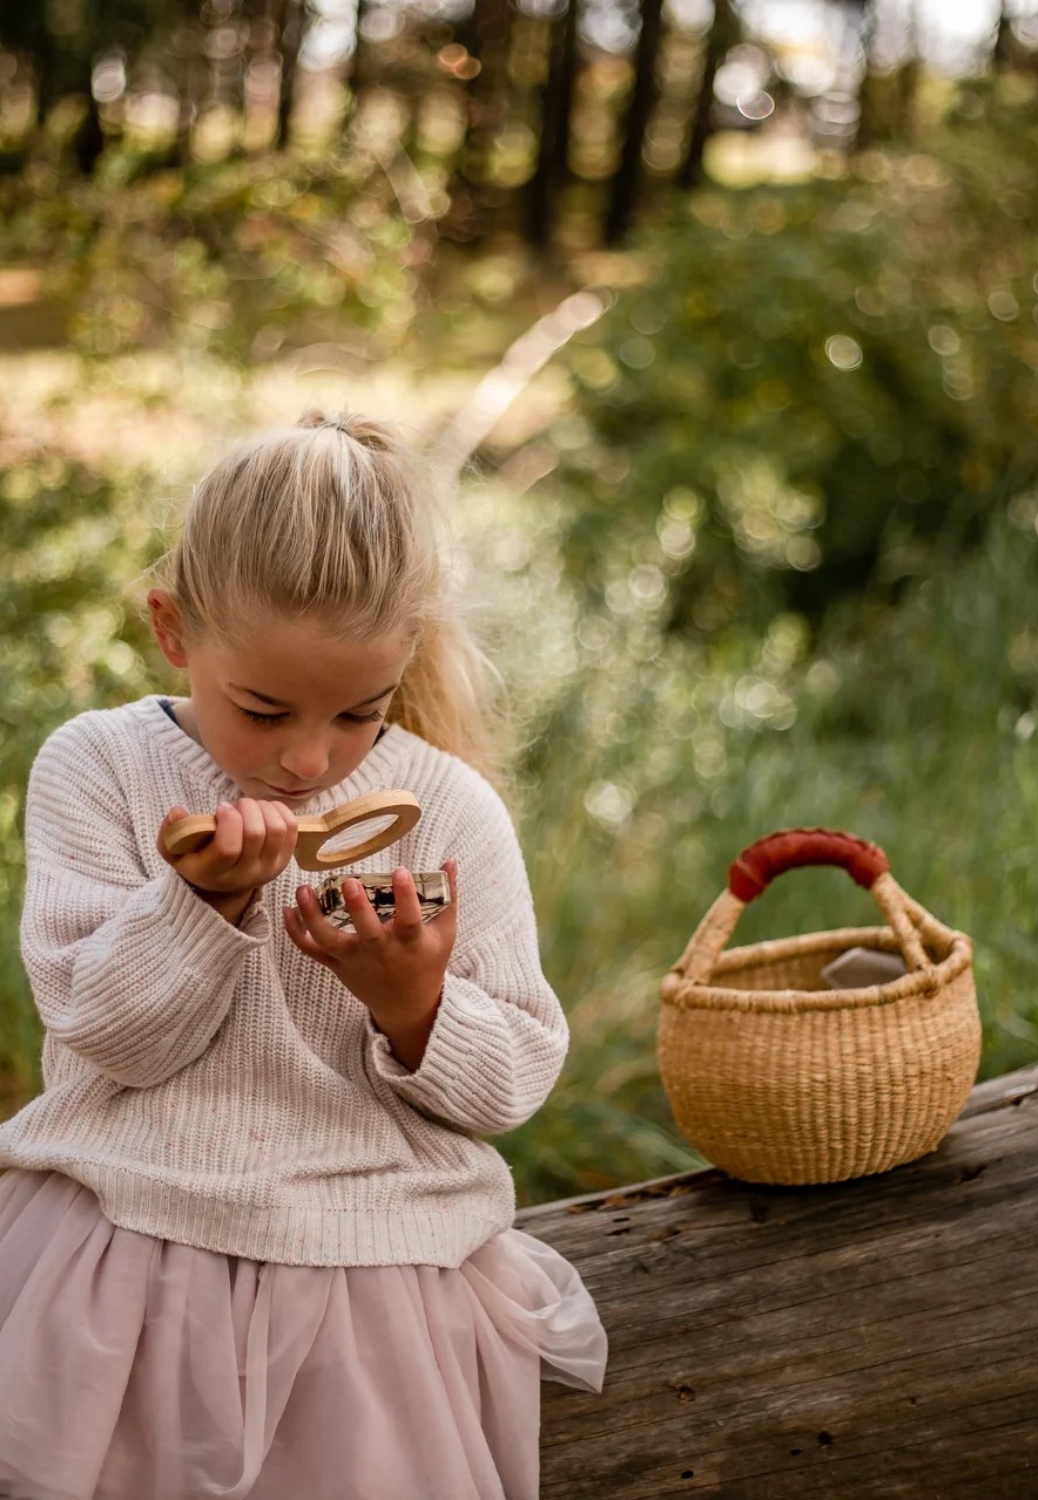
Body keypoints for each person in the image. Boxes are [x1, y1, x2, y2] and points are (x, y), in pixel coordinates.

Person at [0, 409, 606, 1500]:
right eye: (265, 710)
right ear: (173, 630)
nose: (308, 761)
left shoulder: (447, 810)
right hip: (122, 1247)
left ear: (404, 662)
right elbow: (106, 1037)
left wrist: (415, 1007)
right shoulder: (98, 769)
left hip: (367, 1277)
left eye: (359, 714)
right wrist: (200, 903)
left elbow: (513, 1079)